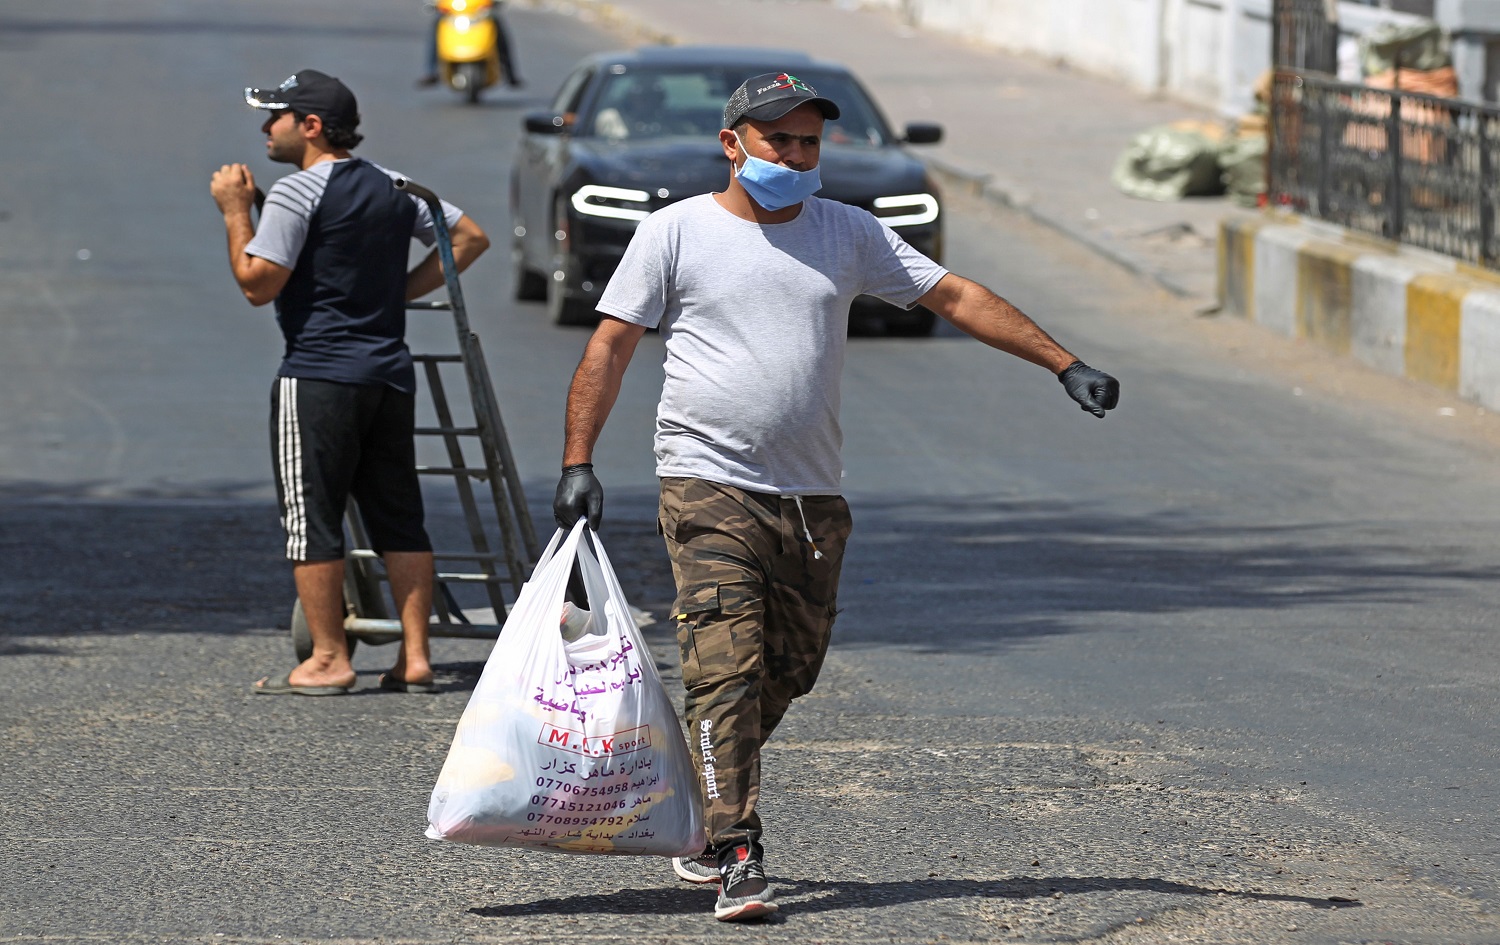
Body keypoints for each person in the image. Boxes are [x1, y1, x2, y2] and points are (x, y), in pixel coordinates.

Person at [551, 71, 1120, 922]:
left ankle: (704, 804)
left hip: (811, 496)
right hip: (707, 480)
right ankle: (738, 850)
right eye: (779, 139)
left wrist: (1063, 362)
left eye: (809, 141)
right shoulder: (675, 232)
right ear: (733, 144)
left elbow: (954, 294)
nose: (796, 154)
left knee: (790, 669)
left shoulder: (848, 231)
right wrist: (578, 459)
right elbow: (611, 346)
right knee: (727, 667)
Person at [209, 69, 491, 697]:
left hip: (317, 375)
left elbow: (258, 283)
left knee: (312, 519)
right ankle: (415, 656)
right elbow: (469, 238)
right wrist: (397, 292)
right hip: (388, 374)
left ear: (310, 126)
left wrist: (234, 212)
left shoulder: (295, 193)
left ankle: (330, 658)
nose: (265, 128)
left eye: (275, 117)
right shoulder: (398, 187)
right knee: (400, 515)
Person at [417, 0, 522, 89]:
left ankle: (510, 73)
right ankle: (430, 71)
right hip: (453, 14)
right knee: (437, 27)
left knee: (497, 27)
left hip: (479, 13)